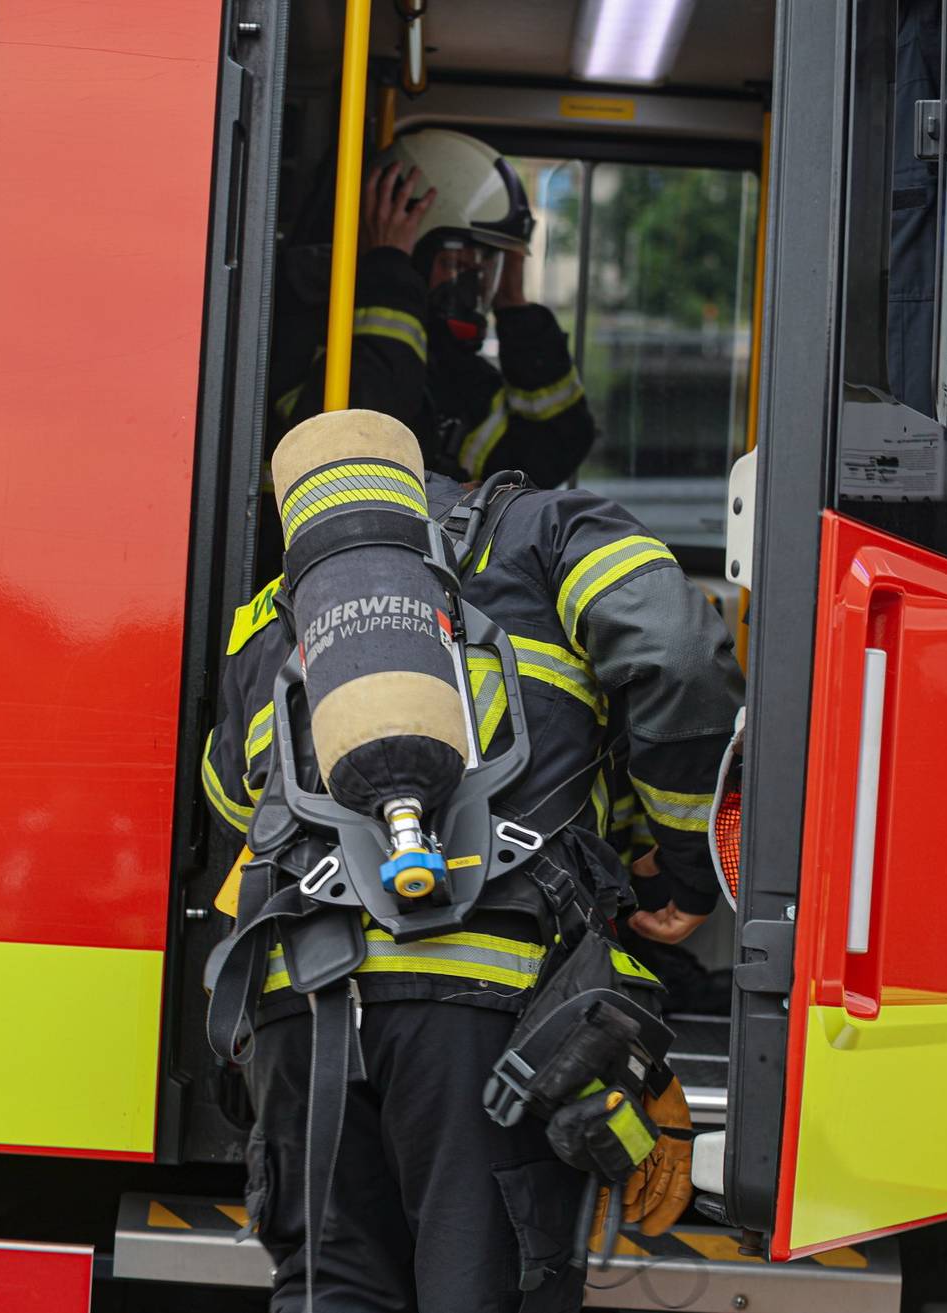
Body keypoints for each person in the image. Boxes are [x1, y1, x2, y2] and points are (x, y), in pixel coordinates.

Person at [201, 416, 740, 1312]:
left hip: (298, 1009)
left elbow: (230, 799)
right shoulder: (555, 532)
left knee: (332, 1291)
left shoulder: (276, 607)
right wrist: (688, 871)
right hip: (487, 1020)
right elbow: (680, 657)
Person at [268, 128, 597, 489]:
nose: (472, 289)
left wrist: (515, 308)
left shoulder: (454, 370)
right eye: (457, 264)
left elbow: (557, 447)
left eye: (486, 267)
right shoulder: (307, 337)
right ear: (410, 256)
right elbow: (367, 435)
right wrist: (391, 273)